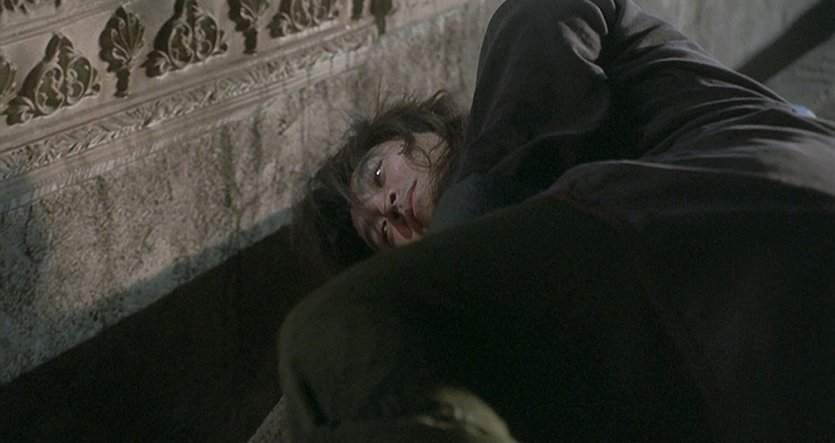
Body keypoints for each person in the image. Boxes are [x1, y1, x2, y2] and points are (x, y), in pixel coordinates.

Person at [281, 0, 835, 441]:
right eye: (380, 234)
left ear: (423, 129)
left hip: (756, 199)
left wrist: (445, 260)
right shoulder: (535, 267)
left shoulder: (523, 56)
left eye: (379, 174)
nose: (389, 207)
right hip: (763, 370)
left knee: (337, 341)